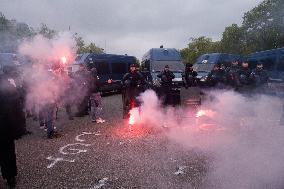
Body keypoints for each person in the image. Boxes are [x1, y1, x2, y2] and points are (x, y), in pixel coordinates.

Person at [0, 66, 26, 188]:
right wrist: (20, 128)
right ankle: (10, 176)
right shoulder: (10, 88)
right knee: (8, 152)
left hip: (5, 126)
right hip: (6, 127)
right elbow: (18, 109)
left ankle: (9, 175)